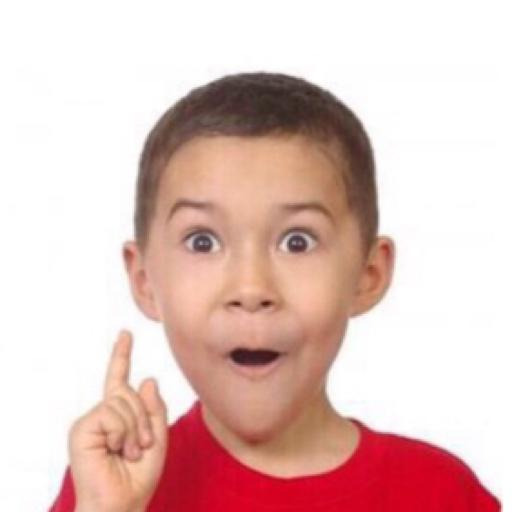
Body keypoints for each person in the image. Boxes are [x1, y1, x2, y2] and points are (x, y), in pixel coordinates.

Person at [49, 71, 501, 511]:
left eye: (297, 242)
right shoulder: (109, 487)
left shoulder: (442, 493)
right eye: (203, 242)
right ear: (144, 280)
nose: (251, 289)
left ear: (369, 274)